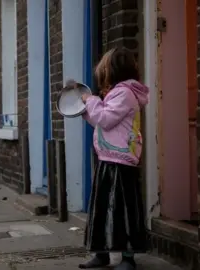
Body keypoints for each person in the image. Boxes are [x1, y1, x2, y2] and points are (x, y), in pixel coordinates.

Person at [68, 47, 149, 270]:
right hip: (109, 157)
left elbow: (104, 118)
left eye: (103, 68)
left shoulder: (124, 93)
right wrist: (85, 108)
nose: (101, 72)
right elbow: (100, 119)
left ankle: (128, 258)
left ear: (113, 70)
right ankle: (101, 253)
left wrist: (90, 100)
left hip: (121, 160)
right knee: (102, 207)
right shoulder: (117, 93)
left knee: (122, 209)